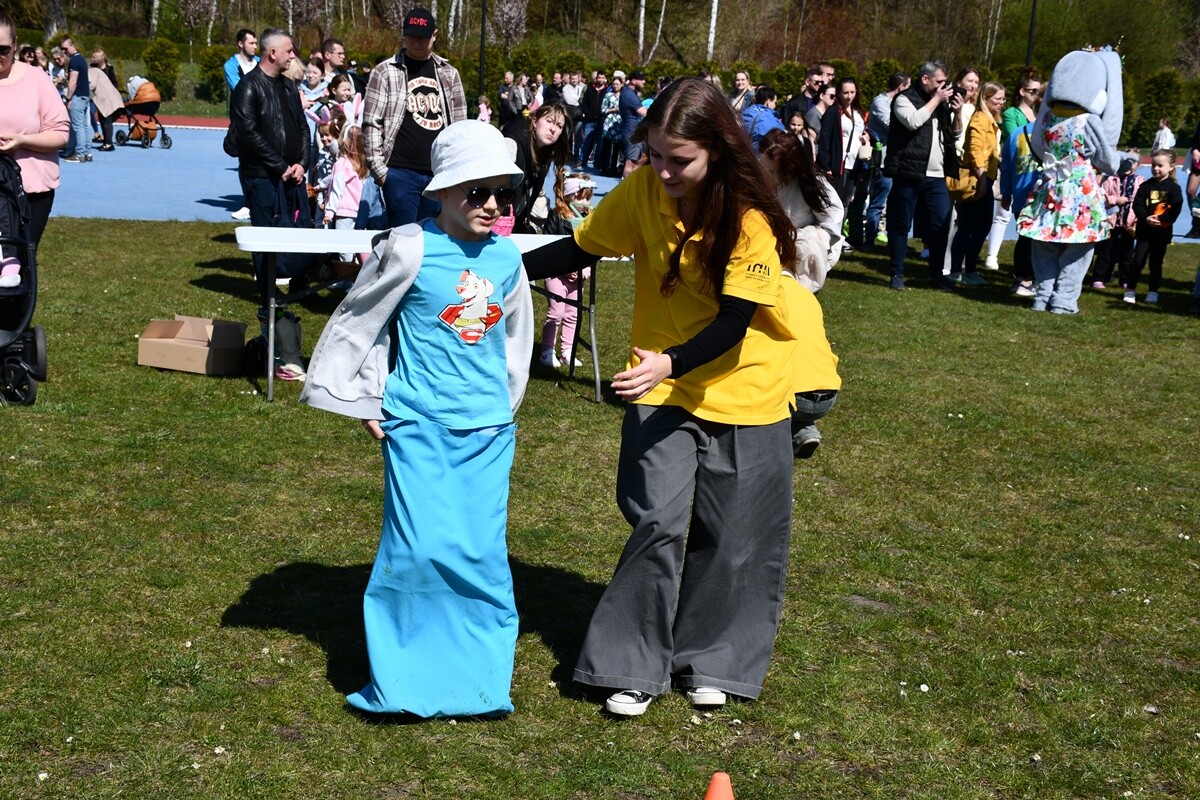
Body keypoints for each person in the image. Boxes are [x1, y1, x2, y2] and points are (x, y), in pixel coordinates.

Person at [521, 78, 800, 717]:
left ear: (718, 153)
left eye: (681, 160)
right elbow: (579, 247)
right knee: (657, 519)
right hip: (662, 383)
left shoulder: (751, 220)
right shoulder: (643, 190)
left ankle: (712, 660)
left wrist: (667, 362)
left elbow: (733, 325)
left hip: (745, 382)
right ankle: (629, 664)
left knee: (734, 536)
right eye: (654, 154)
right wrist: (488, 261)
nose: (664, 170)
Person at [300, 120, 531, 718]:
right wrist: (367, 403)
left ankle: (479, 683)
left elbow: (514, 340)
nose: (490, 205)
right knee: (417, 552)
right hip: (418, 425)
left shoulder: (507, 257)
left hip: (486, 433)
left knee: (480, 555)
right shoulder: (408, 246)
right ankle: (405, 681)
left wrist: (504, 408)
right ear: (443, 192)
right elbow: (363, 323)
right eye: (474, 192)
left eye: (501, 194)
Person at [1016, 47, 1122, 314]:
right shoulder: (1087, 121)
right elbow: (1107, 161)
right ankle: (1063, 300)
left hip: (1049, 185)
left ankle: (1043, 296)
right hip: (1079, 189)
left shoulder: (1048, 116)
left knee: (1044, 242)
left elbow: (1039, 146)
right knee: (1080, 244)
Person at [362, 6, 467, 227]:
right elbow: (371, 123)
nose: (417, 42)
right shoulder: (384, 71)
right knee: (402, 240)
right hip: (399, 172)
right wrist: (380, 171)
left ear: (434, 36)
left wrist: (456, 168)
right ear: (403, 36)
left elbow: (460, 126)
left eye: (423, 37)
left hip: (438, 173)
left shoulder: (449, 73)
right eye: (411, 36)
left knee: (435, 237)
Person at [230, 28, 309, 308]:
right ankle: (267, 294)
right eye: (289, 50)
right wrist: (280, 166)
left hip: (291, 175)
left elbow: (302, 126)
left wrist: (302, 162)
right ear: (272, 53)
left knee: (298, 230)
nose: (293, 55)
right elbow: (249, 134)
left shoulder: (288, 86)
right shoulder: (248, 87)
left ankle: (299, 283)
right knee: (264, 237)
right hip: (261, 177)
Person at [883, 60, 962, 291]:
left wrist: (956, 113)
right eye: (939, 82)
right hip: (908, 172)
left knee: (941, 225)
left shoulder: (940, 103)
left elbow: (954, 135)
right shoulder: (904, 99)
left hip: (937, 176)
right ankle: (896, 274)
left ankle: (936, 275)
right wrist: (937, 100)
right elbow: (913, 121)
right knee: (900, 224)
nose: (943, 87)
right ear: (925, 79)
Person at [0, 12, 69, 250]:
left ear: (15, 45)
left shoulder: (36, 79)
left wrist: (22, 140)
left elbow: (60, 134)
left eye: (3, 49)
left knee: (17, 265)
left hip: (30, 192)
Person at [761, 128, 843, 291]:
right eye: (763, 167)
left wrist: (801, 240)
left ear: (789, 169)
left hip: (799, 254)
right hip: (765, 248)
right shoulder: (755, 178)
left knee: (808, 243)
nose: (766, 174)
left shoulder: (812, 183)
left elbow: (832, 220)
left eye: (772, 171)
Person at [948, 81, 1005, 285]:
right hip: (977, 179)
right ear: (986, 98)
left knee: (976, 225)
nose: (1001, 103)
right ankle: (961, 270)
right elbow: (974, 149)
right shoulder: (980, 119)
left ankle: (967, 269)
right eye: (997, 99)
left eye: (1003, 99)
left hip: (984, 178)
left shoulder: (990, 120)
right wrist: (981, 177)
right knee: (972, 225)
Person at [538, 174, 594, 369]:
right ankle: (546, 351)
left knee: (573, 314)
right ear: (569, 196)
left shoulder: (589, 220)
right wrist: (563, 269)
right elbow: (548, 245)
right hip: (557, 276)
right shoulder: (557, 217)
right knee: (556, 312)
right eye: (581, 197)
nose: (585, 203)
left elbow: (592, 249)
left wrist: (583, 271)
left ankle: (567, 351)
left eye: (588, 198)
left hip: (578, 276)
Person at [1120, 149, 1182, 306]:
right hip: (1144, 231)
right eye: (1154, 165)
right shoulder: (1145, 186)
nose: (1155, 168)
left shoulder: (1174, 188)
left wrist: (1161, 219)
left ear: (1171, 167)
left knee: (1156, 263)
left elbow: (1175, 208)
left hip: (1162, 232)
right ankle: (1130, 290)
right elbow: (1138, 204)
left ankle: (1153, 291)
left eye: (1160, 165)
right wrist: (1145, 217)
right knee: (1137, 261)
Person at [817, 77, 869, 247]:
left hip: (855, 163)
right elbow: (824, 139)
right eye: (845, 92)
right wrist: (825, 165)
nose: (849, 96)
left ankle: (837, 236)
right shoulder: (833, 113)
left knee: (846, 202)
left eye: (852, 92)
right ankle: (829, 236)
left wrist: (867, 137)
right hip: (838, 164)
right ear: (839, 93)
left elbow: (863, 130)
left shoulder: (858, 112)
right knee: (835, 202)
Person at [505, 103, 572, 233]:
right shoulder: (512, 143)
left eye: (559, 126)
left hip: (516, 223)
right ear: (535, 121)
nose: (553, 129)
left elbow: (537, 192)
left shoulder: (544, 155)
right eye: (549, 121)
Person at [864, 71, 910, 250]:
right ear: (901, 87)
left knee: (895, 203)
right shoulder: (880, 103)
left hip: (897, 159)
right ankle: (870, 239)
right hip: (883, 160)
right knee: (878, 201)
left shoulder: (894, 103)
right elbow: (892, 126)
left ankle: (893, 240)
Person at [1087, 155, 1141, 289]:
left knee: (1127, 253)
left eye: (1133, 163)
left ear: (1137, 165)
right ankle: (1099, 277)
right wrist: (1115, 200)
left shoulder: (1139, 181)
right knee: (1106, 251)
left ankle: (1125, 279)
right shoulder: (1110, 179)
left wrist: (1137, 218)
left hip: (1128, 222)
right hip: (1111, 222)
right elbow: (1101, 196)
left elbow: (1140, 199)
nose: (1128, 166)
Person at [323, 124, 368, 263]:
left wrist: (329, 211)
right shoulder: (362, 164)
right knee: (358, 244)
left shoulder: (341, 164)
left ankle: (347, 276)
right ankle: (357, 275)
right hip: (360, 211)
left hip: (343, 212)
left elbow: (337, 189)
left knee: (344, 247)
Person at [60, 37, 91, 163]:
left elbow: (73, 81)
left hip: (77, 96)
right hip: (85, 95)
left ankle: (80, 154)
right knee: (84, 126)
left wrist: (68, 99)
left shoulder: (74, 61)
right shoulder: (82, 59)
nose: (64, 51)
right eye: (62, 49)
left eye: (65, 48)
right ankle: (87, 152)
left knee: (78, 126)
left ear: (72, 46)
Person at [87, 57, 122, 152]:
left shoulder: (92, 71)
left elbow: (92, 84)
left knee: (106, 120)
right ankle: (106, 142)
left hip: (105, 98)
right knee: (104, 119)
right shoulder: (99, 72)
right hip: (109, 96)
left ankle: (108, 144)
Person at [619, 70, 649, 176]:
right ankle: (626, 188)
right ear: (634, 81)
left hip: (633, 130)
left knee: (637, 161)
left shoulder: (630, 93)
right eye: (641, 80)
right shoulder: (629, 95)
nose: (644, 82)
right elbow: (644, 113)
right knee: (630, 162)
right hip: (631, 131)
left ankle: (631, 187)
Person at [742, 85, 786, 154]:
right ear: (768, 102)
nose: (775, 105)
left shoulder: (746, 112)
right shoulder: (770, 119)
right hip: (760, 157)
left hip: (743, 153)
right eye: (775, 102)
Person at [224, 29, 259, 96]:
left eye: (256, 43)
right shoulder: (230, 66)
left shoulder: (260, 62)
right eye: (251, 43)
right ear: (240, 44)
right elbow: (240, 90)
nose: (255, 47)